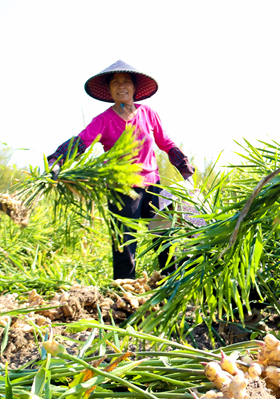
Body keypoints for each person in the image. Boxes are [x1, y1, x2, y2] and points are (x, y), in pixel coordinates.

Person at [47, 60, 195, 280]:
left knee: (164, 236)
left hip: (152, 186)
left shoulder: (148, 114)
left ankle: (170, 281)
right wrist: (56, 161)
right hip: (121, 189)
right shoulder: (103, 120)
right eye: (115, 83)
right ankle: (124, 289)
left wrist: (185, 170)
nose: (121, 86)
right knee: (124, 243)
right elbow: (81, 142)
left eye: (126, 82)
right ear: (109, 90)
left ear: (135, 88)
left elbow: (166, 143)